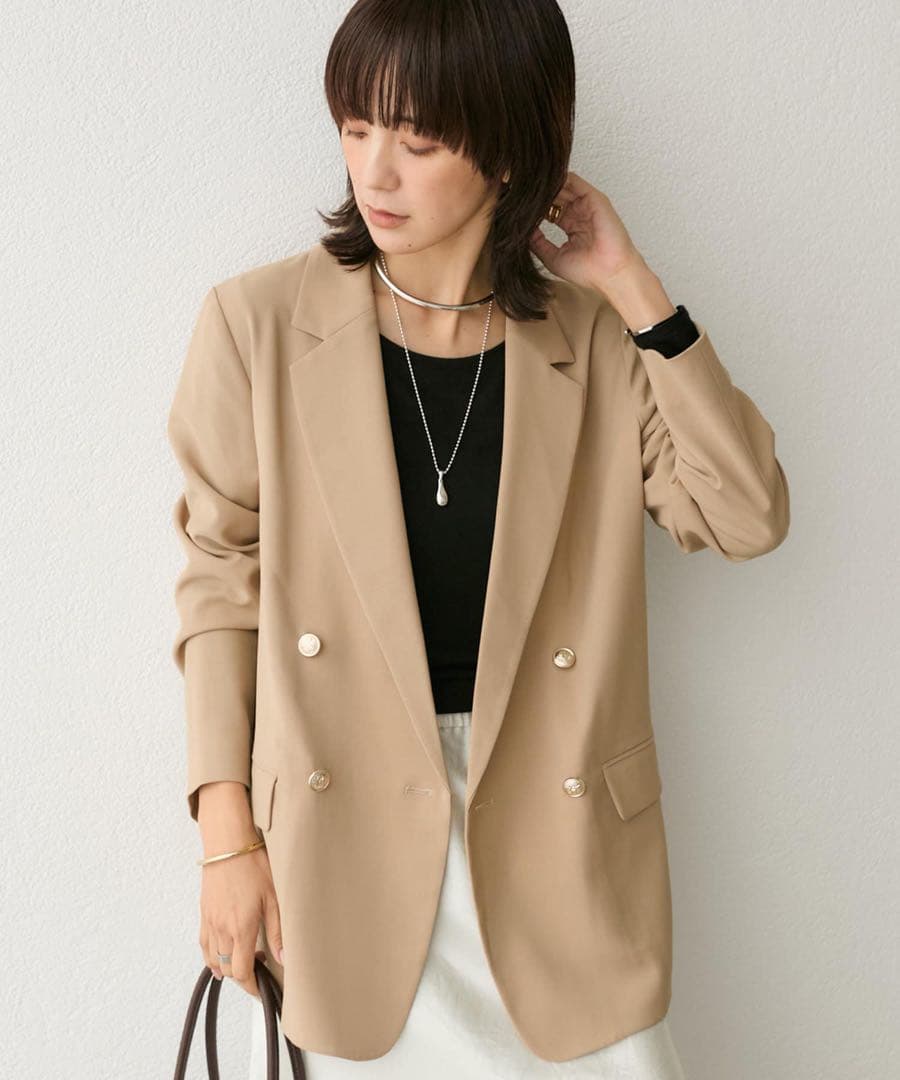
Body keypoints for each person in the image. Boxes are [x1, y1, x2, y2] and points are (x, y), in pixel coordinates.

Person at [166, 2, 789, 1077]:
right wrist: (228, 843)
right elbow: (222, 586)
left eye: (417, 140)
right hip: (347, 849)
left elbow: (745, 516)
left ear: (508, 150)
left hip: (561, 843)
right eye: (356, 127)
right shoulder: (257, 326)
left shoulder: (595, 338)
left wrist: (633, 285)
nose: (375, 172)